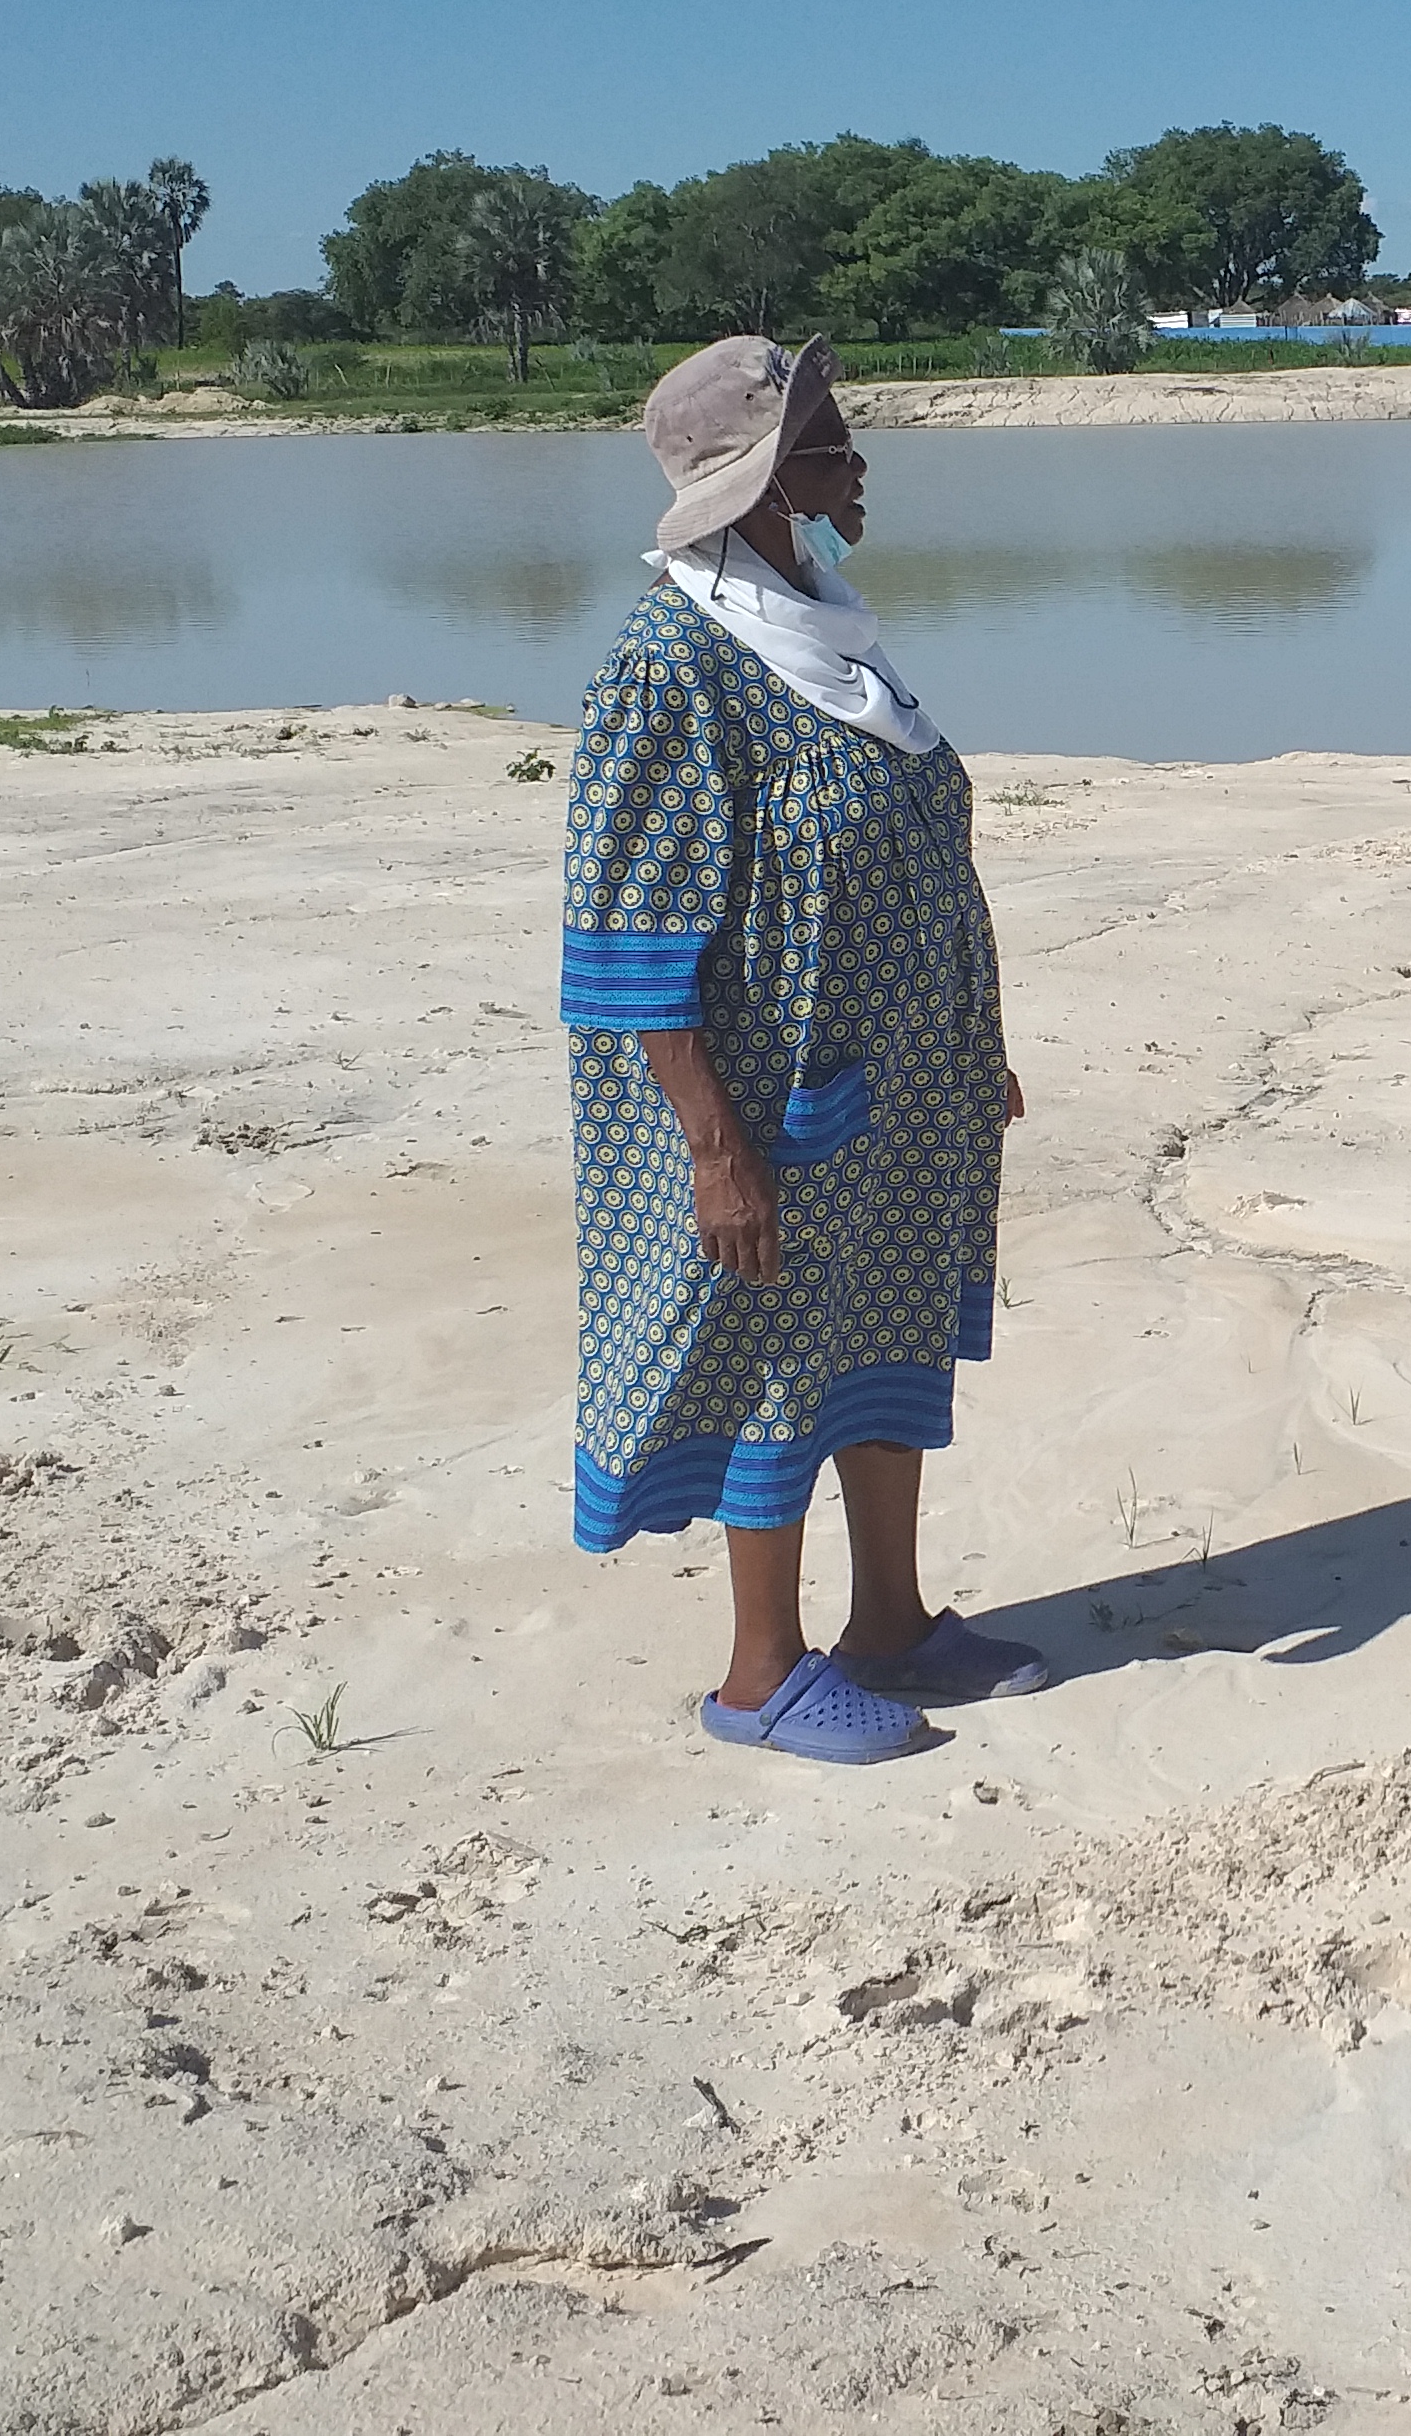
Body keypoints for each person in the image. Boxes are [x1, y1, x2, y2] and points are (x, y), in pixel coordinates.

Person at [557, 333, 1039, 1762]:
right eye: (828, 446)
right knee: (774, 1361)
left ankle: (891, 1620)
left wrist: (972, 1043)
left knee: (881, 1339)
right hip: (768, 1103)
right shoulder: (676, 667)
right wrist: (718, 1153)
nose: (856, 465)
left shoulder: (821, 622)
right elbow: (624, 945)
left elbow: (911, 853)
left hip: (896, 1078)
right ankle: (760, 1677)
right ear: (759, 487)